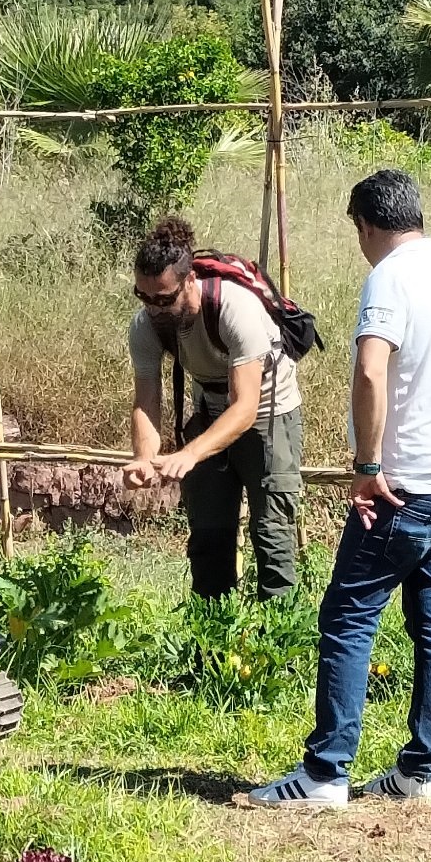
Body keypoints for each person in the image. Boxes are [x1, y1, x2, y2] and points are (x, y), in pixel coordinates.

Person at [249, 169, 431, 808]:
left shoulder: (390, 279)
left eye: (357, 229)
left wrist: (367, 463)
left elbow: (371, 369)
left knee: (348, 616)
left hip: (405, 485)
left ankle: (326, 772)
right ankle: (421, 773)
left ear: (368, 224)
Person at [123, 216, 305, 600]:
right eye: (144, 297)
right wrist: (143, 458)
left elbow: (246, 407)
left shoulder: (235, 308)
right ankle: (212, 632)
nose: (154, 309)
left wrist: (190, 453)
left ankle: (280, 634)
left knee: (271, 536)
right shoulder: (146, 325)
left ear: (190, 280)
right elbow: (146, 401)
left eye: (163, 299)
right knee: (208, 537)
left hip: (269, 413)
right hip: (209, 410)